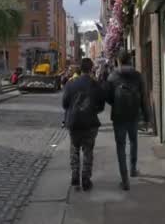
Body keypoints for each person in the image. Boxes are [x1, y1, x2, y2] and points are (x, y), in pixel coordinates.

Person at [105, 50, 150, 191]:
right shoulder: (137, 75)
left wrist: (115, 104)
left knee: (120, 146)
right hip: (133, 114)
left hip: (118, 116)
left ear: (118, 61)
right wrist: (147, 117)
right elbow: (144, 97)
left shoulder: (112, 76)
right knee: (133, 141)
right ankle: (133, 169)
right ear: (130, 60)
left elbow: (108, 97)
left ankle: (124, 180)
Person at [62, 58, 106, 191]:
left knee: (74, 149)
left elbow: (65, 104)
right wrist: (93, 110)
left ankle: (75, 176)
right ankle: (86, 179)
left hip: (74, 122)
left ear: (80, 69)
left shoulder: (71, 84)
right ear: (91, 68)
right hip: (90, 122)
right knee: (88, 151)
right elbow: (101, 105)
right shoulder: (95, 84)